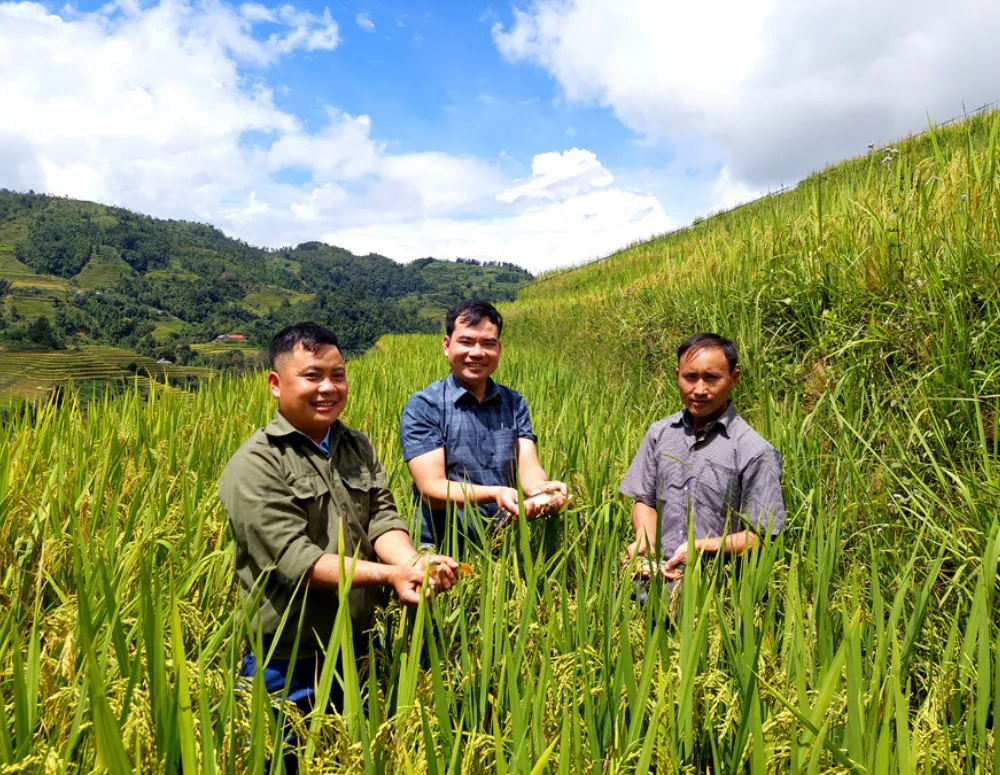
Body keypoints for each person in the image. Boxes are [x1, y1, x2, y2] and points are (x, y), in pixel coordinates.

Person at [219, 322, 459, 731]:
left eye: (338, 375)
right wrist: (391, 574)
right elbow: (297, 562)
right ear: (276, 384)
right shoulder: (255, 464)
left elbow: (382, 518)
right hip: (289, 658)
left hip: (360, 645)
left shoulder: (356, 445)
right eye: (312, 376)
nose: (328, 388)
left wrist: (415, 563)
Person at [620, 333, 785, 594]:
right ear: (677, 375)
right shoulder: (659, 434)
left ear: (734, 379)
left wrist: (702, 546)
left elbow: (762, 536)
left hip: (714, 587)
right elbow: (645, 500)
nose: (698, 390)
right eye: (689, 377)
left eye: (711, 378)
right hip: (651, 574)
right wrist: (645, 539)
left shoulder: (753, 450)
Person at [400, 300, 567, 549]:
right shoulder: (425, 405)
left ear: (498, 348)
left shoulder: (513, 402)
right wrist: (495, 493)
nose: (477, 352)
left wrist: (542, 491)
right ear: (447, 346)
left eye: (488, 343)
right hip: (442, 545)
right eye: (466, 342)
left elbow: (528, 467)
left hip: (505, 541)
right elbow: (431, 489)